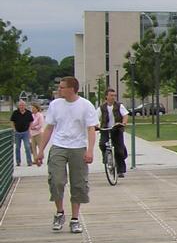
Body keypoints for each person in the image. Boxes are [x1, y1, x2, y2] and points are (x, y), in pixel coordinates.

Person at [34, 77, 99, 234]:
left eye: (62, 87)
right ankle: (60, 212)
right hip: (59, 146)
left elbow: (91, 129)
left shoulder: (85, 105)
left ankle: (75, 219)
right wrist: (40, 150)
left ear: (72, 89)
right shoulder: (55, 105)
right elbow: (49, 127)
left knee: (78, 183)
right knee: (56, 180)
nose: (59, 90)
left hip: (78, 147)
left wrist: (90, 150)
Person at [98, 88, 130, 177]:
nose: (113, 97)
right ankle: (106, 158)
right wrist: (96, 125)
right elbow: (95, 117)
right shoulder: (102, 107)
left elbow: (125, 115)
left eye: (114, 95)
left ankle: (120, 170)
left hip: (116, 129)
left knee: (119, 150)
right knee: (102, 144)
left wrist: (123, 123)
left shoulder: (119, 106)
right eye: (111, 95)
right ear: (106, 96)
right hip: (105, 129)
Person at [9, 99, 33, 166]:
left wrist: (29, 129)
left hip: (25, 132)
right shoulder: (15, 112)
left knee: (27, 147)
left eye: (23, 105)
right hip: (17, 132)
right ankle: (18, 162)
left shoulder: (28, 113)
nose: (22, 106)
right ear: (18, 106)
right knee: (17, 148)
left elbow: (31, 121)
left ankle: (29, 162)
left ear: (25, 106)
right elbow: (12, 121)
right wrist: (14, 129)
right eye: (20, 105)